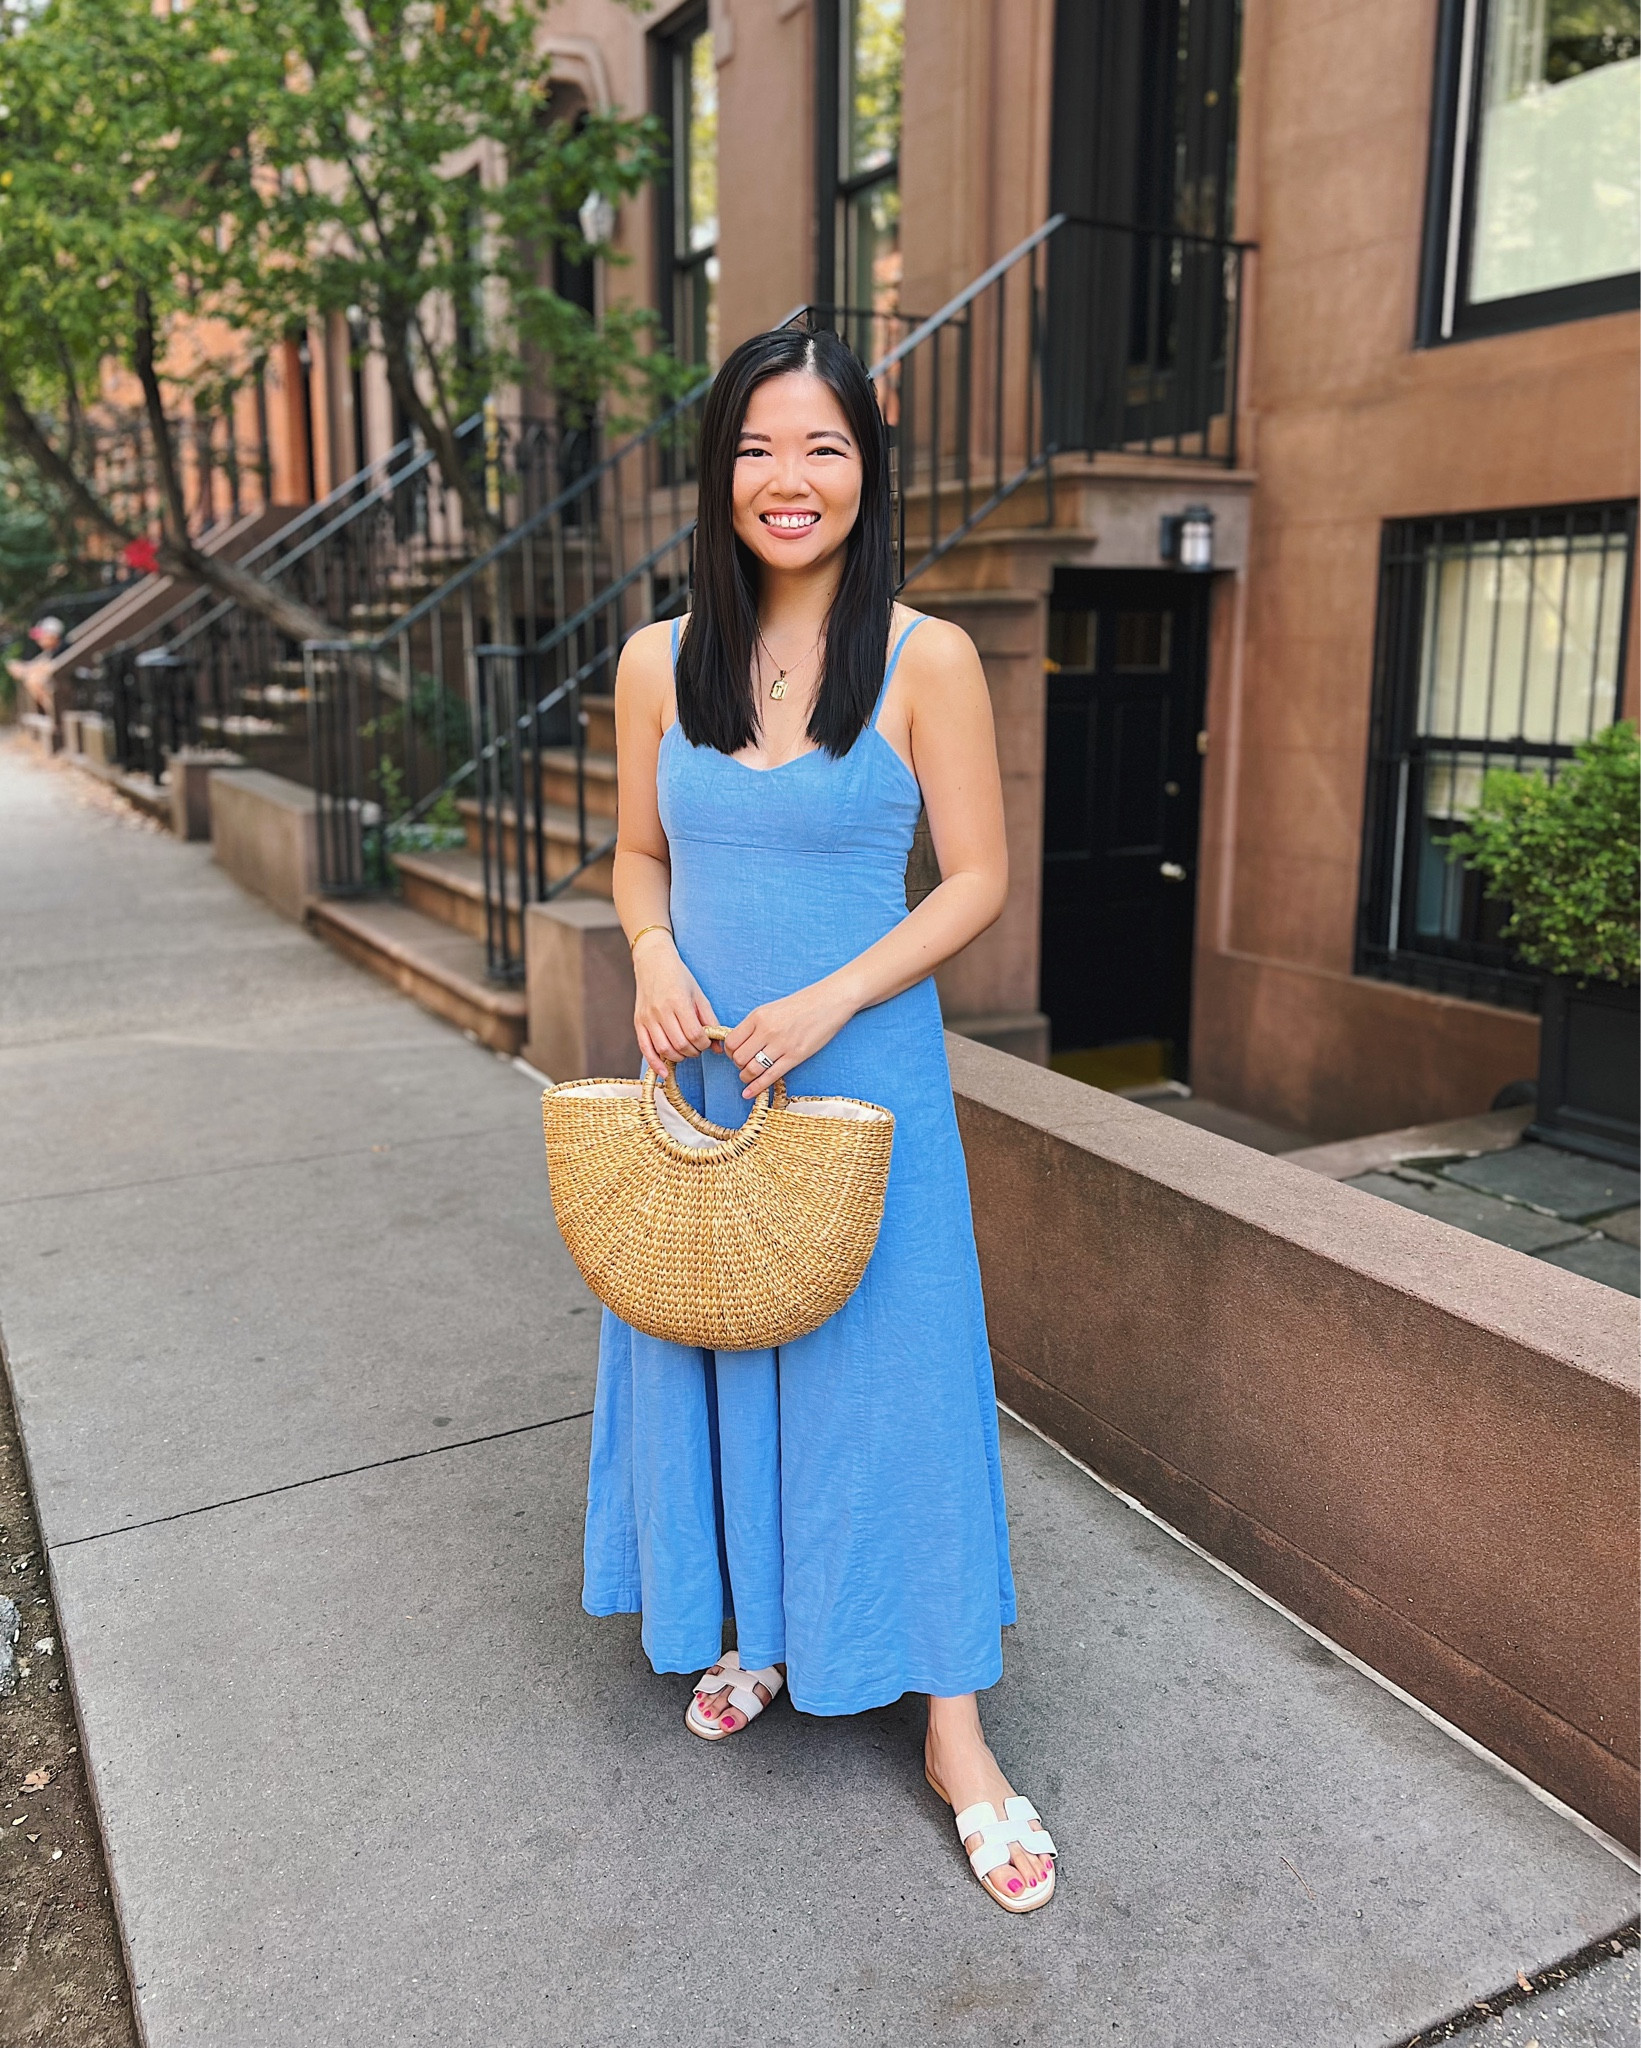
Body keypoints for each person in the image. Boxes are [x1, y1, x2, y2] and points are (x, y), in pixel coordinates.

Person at [581, 326, 1057, 1913]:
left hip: (863, 1061)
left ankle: (952, 1726)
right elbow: (637, 858)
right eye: (759, 449)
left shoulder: (925, 658)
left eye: (825, 448)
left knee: (893, 1364)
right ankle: (756, 1627)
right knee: (720, 1335)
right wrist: (651, 952)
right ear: (719, 471)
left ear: (869, 467)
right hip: (704, 1056)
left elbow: (978, 881)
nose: (790, 481)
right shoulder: (659, 661)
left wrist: (831, 998)